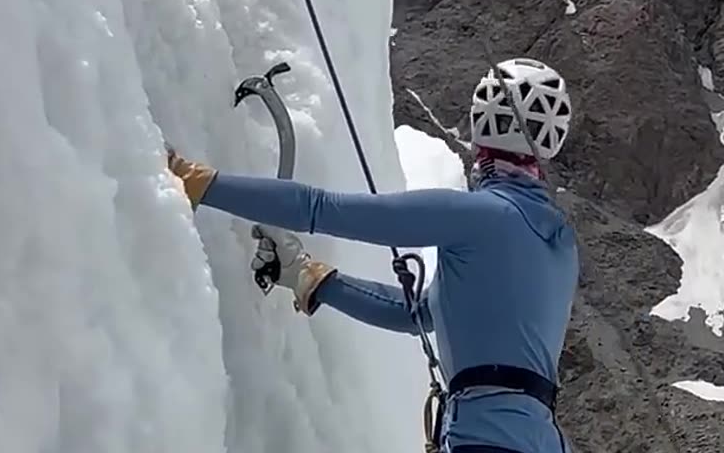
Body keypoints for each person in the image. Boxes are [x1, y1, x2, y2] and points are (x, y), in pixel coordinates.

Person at [167, 58, 578, 453]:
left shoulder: (479, 216)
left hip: (485, 440)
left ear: (479, 136)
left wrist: (197, 181)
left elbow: (319, 209)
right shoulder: (560, 246)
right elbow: (419, 312)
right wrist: (314, 278)